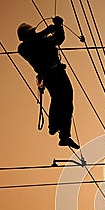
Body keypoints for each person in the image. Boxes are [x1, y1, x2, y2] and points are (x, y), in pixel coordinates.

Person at [17, 16, 80, 149]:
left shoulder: (43, 41)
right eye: (31, 33)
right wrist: (48, 29)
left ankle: (64, 135)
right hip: (50, 74)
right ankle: (54, 126)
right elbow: (35, 41)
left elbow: (59, 38)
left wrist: (59, 26)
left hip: (57, 72)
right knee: (58, 98)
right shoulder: (24, 47)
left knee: (67, 101)